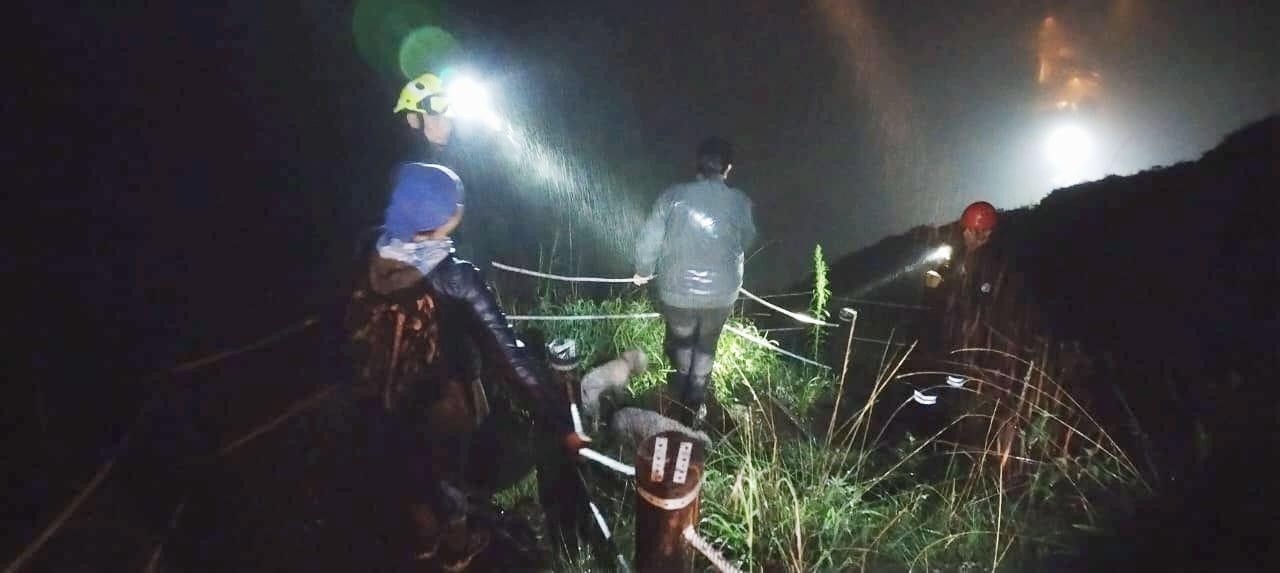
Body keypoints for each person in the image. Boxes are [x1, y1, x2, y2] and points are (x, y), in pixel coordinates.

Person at [343, 162, 587, 571]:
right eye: (454, 202)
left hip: (377, 391)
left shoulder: (370, 247)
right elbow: (511, 359)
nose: (461, 206)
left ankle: (423, 536)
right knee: (445, 470)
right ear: (442, 218)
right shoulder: (455, 278)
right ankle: (457, 545)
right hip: (438, 400)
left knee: (405, 462)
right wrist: (563, 423)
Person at [632, 137, 757, 425]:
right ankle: (695, 399)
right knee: (707, 344)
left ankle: (680, 389)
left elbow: (649, 238)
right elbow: (747, 240)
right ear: (728, 169)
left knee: (683, 339)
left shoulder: (672, 196)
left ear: (697, 165)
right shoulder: (741, 202)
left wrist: (642, 269)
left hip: (677, 292)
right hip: (722, 294)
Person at [394, 71, 455, 157]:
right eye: (435, 117)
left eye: (450, 117)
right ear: (413, 120)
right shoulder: (410, 166)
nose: (447, 129)